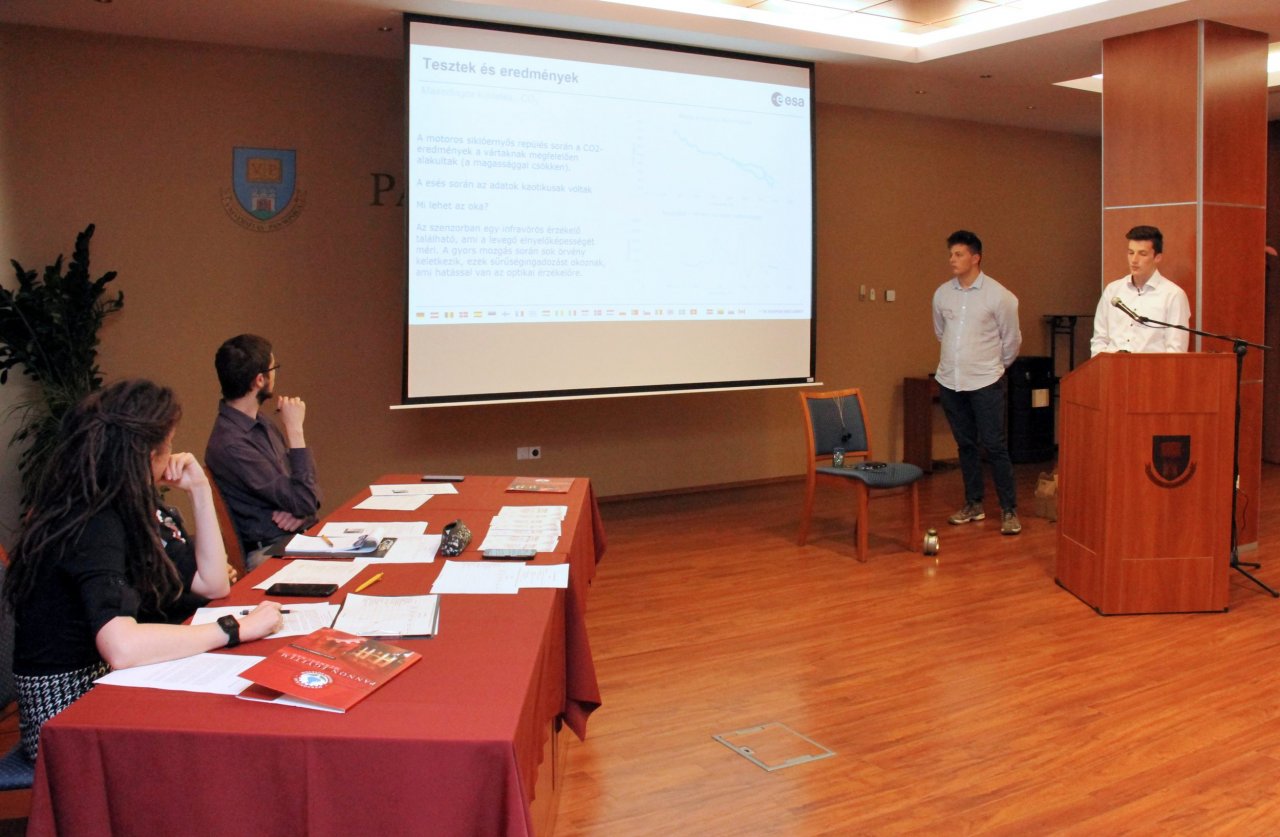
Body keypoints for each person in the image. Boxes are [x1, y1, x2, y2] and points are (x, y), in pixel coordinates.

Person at [3, 379, 283, 760]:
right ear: (148, 456)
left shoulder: (114, 501)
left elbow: (212, 584)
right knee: (225, 732)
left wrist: (200, 489)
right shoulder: (93, 521)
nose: (173, 455)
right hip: (64, 716)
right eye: (169, 444)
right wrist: (233, 629)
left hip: (102, 683)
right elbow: (121, 647)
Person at [932, 230, 1023, 535]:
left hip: (986, 382)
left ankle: (1009, 509)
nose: (952, 260)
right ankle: (974, 503)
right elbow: (941, 333)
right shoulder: (942, 294)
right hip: (951, 381)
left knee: (994, 445)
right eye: (950, 254)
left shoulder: (1000, 296)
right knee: (966, 444)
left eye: (958, 254)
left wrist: (994, 368)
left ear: (975, 258)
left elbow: (1011, 341)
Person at [205, 334, 322, 569]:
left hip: (293, 538)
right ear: (260, 380)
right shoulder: (232, 444)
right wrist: (295, 430)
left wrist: (302, 514)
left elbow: (304, 494)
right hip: (269, 550)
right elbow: (304, 498)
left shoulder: (260, 422)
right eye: (274, 368)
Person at [1090, 225, 1190, 355]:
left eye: (1142, 254)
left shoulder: (1173, 295)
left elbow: (1176, 350)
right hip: (1112, 365)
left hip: (1150, 367)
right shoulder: (1113, 290)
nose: (1134, 260)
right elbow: (1100, 340)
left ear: (1157, 257)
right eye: (1131, 253)